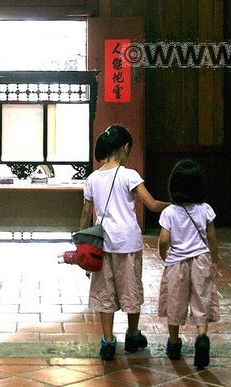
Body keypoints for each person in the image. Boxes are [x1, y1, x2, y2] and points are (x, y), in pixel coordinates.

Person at [79, 124, 168, 361]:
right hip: (127, 243)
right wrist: (177, 205)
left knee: (104, 292)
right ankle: (132, 335)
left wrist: (82, 242)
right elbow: (152, 205)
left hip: (102, 243)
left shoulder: (92, 178)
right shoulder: (130, 176)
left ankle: (108, 342)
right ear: (125, 147)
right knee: (131, 290)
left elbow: (86, 212)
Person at [157, 159, 220, 368]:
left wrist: (164, 255)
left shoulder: (169, 213)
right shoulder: (205, 209)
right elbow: (212, 237)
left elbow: (164, 240)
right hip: (201, 259)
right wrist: (214, 260)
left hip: (177, 263)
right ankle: (202, 337)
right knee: (201, 299)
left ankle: (174, 344)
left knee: (175, 301)